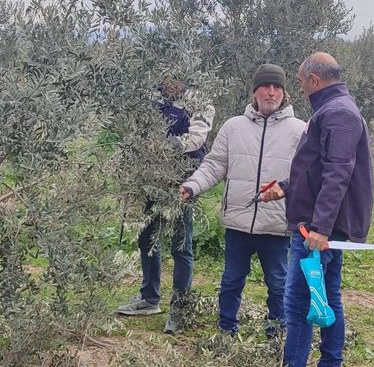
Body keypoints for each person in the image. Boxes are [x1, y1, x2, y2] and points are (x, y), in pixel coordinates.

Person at [262, 52, 374, 367]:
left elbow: (338, 174)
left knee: (297, 304)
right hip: (319, 224)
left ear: (314, 79)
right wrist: (285, 187)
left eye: (300, 83)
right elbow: (316, 168)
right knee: (329, 295)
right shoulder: (332, 109)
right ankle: (330, 362)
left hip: (315, 229)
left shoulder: (338, 113)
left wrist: (320, 228)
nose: (300, 89)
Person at [179, 64, 304, 336]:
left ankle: (275, 334)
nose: (271, 92)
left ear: (285, 93)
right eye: (265, 86)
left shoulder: (299, 131)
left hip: (277, 223)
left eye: (277, 87)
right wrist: (191, 187)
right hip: (238, 220)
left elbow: (306, 177)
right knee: (232, 280)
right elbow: (214, 165)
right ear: (254, 92)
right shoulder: (233, 127)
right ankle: (226, 330)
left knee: (279, 283)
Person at [116, 78, 215, 334]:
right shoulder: (153, 99)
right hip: (152, 178)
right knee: (147, 237)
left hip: (182, 180)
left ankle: (179, 310)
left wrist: (160, 146)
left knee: (181, 244)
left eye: (173, 76)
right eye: (164, 76)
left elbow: (196, 139)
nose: (168, 82)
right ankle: (149, 299)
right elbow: (137, 130)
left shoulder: (200, 103)